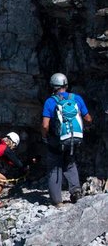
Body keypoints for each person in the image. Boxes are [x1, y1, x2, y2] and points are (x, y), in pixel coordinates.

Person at [41, 73, 92, 206]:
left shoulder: (50, 102)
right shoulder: (77, 98)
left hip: (56, 140)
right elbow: (88, 118)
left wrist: (44, 136)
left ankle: (57, 201)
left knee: (54, 167)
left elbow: (45, 125)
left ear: (53, 86)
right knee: (70, 162)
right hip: (73, 138)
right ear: (66, 85)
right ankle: (75, 191)